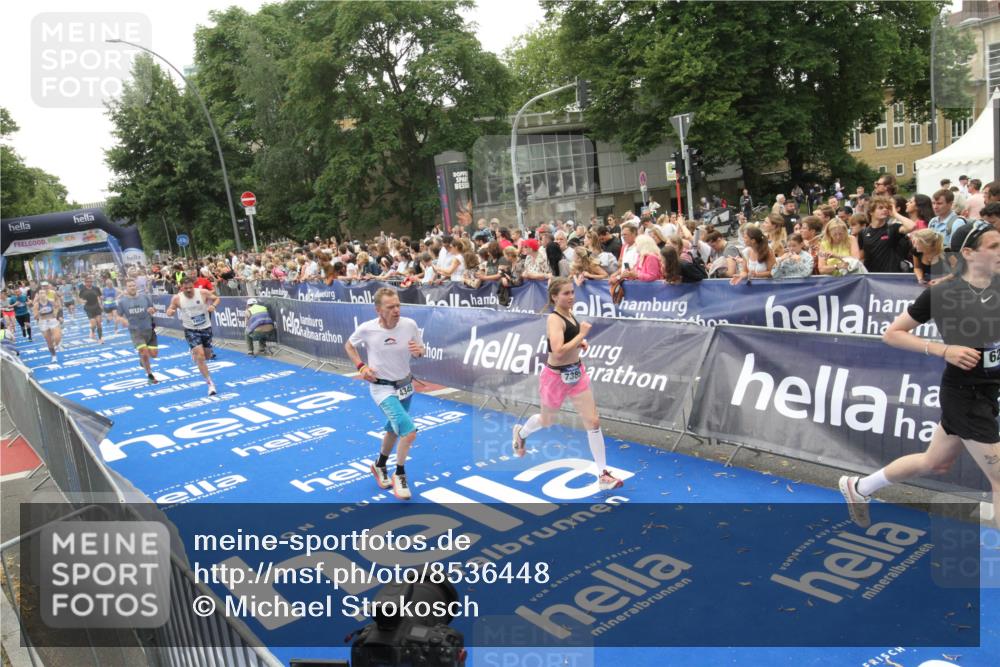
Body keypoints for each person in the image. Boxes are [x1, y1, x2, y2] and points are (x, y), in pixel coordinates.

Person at [839, 222, 1000, 529]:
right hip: (965, 395)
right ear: (968, 253)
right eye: (993, 247)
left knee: (934, 462)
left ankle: (859, 488)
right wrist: (943, 350)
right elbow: (892, 334)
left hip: (988, 391)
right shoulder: (942, 295)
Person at [511, 278, 623, 491]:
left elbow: (567, 342)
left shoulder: (569, 313)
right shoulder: (554, 319)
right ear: (554, 296)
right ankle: (521, 433)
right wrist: (581, 334)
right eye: (566, 294)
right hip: (555, 377)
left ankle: (603, 474)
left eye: (572, 292)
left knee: (593, 421)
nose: (571, 297)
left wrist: (580, 342)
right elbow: (558, 350)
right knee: (547, 420)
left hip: (576, 374)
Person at [345, 287, 425, 501]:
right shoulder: (367, 329)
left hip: (405, 386)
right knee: (408, 432)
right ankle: (400, 474)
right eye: (391, 307)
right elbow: (349, 345)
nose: (396, 310)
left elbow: (420, 350)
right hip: (382, 388)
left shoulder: (410, 325)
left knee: (393, 429)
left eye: (398, 305)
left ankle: (379, 465)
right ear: (378, 310)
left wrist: (419, 352)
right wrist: (361, 366)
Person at [166, 276, 221, 396]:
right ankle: (210, 384)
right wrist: (170, 312)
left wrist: (213, 306)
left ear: (194, 286)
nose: (189, 290)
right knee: (200, 356)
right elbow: (170, 308)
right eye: (186, 288)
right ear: (182, 288)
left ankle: (194, 351)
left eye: (191, 287)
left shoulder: (202, 293)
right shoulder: (177, 298)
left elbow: (217, 299)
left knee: (207, 355)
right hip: (191, 329)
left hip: (206, 327)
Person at [116, 279, 160, 383]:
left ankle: (142, 360)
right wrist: (123, 320)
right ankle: (150, 375)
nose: (132, 287)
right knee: (144, 352)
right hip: (135, 331)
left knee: (153, 354)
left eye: (133, 285)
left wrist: (152, 310)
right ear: (126, 288)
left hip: (149, 329)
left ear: (136, 286)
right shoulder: (122, 301)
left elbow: (153, 309)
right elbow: (117, 316)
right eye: (129, 286)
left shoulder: (144, 297)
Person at [33, 286, 62, 363]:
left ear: (46, 294)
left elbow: (58, 306)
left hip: (52, 320)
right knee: (48, 341)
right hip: (43, 322)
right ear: (38, 295)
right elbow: (35, 317)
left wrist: (56, 314)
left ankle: (57, 344)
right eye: (40, 293)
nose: (42, 294)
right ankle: (53, 356)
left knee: (57, 337)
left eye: (43, 293)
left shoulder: (50, 301)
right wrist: (40, 312)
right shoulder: (37, 305)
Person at [77, 275, 103, 342]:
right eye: (88, 282)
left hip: (97, 307)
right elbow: (79, 299)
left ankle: (100, 338)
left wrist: (101, 303)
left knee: (99, 323)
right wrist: (82, 301)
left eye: (91, 282)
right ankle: (92, 331)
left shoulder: (96, 288)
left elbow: (99, 297)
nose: (89, 283)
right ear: (85, 283)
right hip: (88, 308)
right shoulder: (82, 290)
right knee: (93, 323)